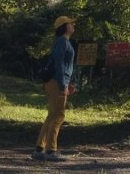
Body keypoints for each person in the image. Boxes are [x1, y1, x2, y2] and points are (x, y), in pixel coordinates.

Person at [32, 15, 77, 161]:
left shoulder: (64, 42)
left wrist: (67, 82)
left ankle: (39, 149)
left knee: (52, 115)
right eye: (70, 23)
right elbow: (59, 64)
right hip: (57, 83)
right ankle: (51, 151)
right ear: (64, 27)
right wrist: (63, 84)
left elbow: (63, 65)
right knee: (58, 115)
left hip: (56, 82)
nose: (72, 25)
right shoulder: (62, 42)